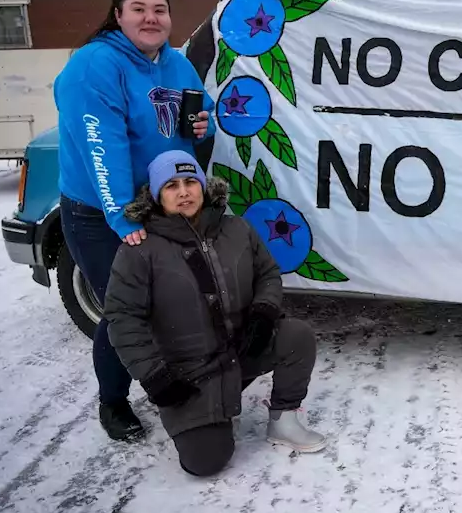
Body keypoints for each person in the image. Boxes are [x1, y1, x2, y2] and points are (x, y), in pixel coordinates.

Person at [54, 0, 215, 441]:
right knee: (126, 310)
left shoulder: (176, 64)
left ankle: (177, 375)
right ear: (118, 15)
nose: (151, 18)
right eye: (139, 9)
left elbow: (193, 120)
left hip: (159, 204)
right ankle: (113, 401)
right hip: (99, 211)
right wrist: (124, 216)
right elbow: (101, 147)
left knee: (173, 299)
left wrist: (202, 126)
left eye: (160, 10)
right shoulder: (94, 64)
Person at [103, 151, 327, 477]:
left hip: (239, 351)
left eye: (191, 181)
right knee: (206, 462)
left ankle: (284, 420)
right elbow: (122, 318)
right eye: (171, 186)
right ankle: (207, 413)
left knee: (297, 336)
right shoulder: (139, 250)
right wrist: (155, 376)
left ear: (204, 187)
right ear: (155, 195)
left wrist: (264, 313)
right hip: (190, 375)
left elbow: (267, 273)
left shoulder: (236, 228)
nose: (184, 192)